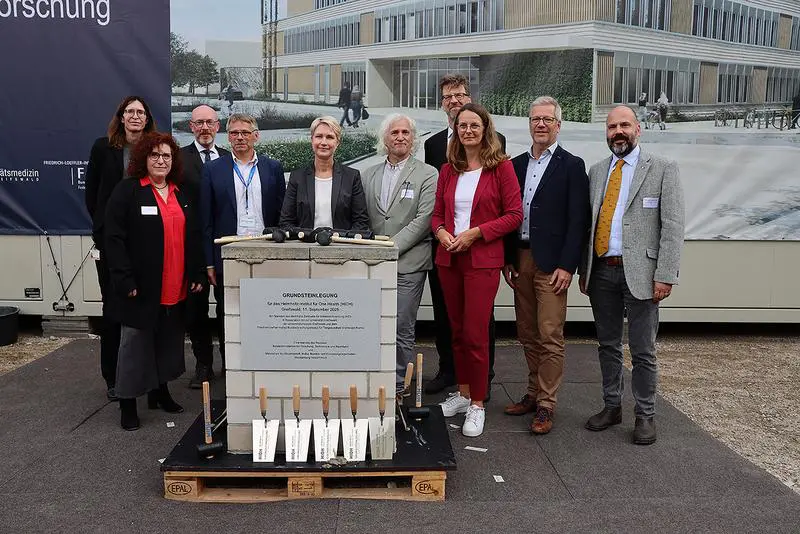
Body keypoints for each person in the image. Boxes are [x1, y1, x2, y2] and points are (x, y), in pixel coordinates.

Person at [579, 105, 685, 445]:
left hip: (642, 273)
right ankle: (612, 407)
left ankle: (645, 415)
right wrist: (585, 270)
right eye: (612, 127)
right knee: (608, 346)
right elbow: (589, 224)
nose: (618, 132)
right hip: (602, 272)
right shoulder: (597, 171)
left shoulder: (663, 168)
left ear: (638, 129)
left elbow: (672, 227)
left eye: (624, 125)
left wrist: (665, 274)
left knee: (642, 350)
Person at [103, 132, 206, 430]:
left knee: (167, 341)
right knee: (135, 346)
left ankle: (159, 393)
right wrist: (124, 279)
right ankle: (127, 402)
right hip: (140, 286)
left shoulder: (179, 193)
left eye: (166, 156)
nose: (161, 161)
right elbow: (114, 238)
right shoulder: (128, 191)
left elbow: (192, 236)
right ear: (143, 158)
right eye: (155, 155)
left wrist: (197, 272)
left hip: (174, 284)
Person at [432, 103, 522, 437]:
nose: (468, 131)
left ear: (485, 130)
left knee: (475, 334)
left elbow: (514, 215)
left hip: (482, 260)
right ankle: (464, 392)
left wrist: (476, 233)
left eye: (474, 125)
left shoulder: (501, 168)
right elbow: (437, 215)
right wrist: (441, 232)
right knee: (456, 331)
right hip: (450, 259)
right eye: (462, 126)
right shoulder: (448, 170)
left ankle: (478, 404)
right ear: (455, 131)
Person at [502, 96, 589, 434]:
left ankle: (546, 404)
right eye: (535, 119)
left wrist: (568, 265)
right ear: (529, 124)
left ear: (558, 125)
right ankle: (533, 392)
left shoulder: (571, 165)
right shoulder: (515, 165)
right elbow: (508, 215)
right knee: (527, 332)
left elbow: (578, 220)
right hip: (521, 260)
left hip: (553, 265)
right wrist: (509, 258)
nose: (540, 124)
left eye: (547, 119)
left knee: (550, 333)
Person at [423, 73, 507, 400]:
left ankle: (481, 383)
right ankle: (452, 375)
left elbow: (507, 209)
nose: (454, 101)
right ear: (442, 104)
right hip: (446, 250)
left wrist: (478, 235)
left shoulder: (496, 149)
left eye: (459, 95)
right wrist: (440, 232)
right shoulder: (434, 147)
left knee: (478, 323)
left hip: (481, 253)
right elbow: (437, 204)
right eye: (448, 97)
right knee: (449, 318)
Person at [85, 96, 156, 401]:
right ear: (121, 117)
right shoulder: (103, 148)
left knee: (147, 308)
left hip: (147, 242)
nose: (135, 116)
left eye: (140, 112)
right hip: (112, 242)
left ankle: (149, 378)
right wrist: (104, 228)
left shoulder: (154, 150)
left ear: (147, 118)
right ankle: (112, 377)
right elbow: (92, 194)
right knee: (113, 309)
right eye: (130, 111)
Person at [200, 113, 286, 366]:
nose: (240, 137)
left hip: (266, 251)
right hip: (228, 253)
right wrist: (209, 262)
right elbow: (206, 219)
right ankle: (230, 366)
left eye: (245, 133)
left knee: (266, 311)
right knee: (228, 312)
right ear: (228, 137)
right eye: (234, 133)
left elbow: (282, 215)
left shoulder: (273, 168)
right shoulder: (213, 170)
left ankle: (265, 362)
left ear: (255, 136)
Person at [362, 114, 438, 392]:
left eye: (406, 132)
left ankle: (398, 385)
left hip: (409, 263)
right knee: (372, 323)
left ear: (413, 138)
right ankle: (373, 380)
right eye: (394, 132)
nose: (400, 137)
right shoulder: (368, 174)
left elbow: (424, 219)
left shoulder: (428, 174)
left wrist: (389, 248)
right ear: (385, 138)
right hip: (372, 263)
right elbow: (363, 217)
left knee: (401, 326)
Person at [180, 105, 230, 388]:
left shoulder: (229, 159)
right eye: (199, 123)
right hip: (191, 247)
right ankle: (203, 365)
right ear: (191, 127)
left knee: (226, 308)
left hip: (222, 245)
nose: (204, 128)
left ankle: (229, 363)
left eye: (209, 122)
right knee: (195, 310)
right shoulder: (178, 159)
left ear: (218, 126)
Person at [279, 116, 370, 231]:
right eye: (319, 136)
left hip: (341, 242)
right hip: (304, 241)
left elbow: (361, 221)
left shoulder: (352, 177)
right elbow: (286, 222)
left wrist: (344, 240)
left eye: (329, 137)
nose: (323, 142)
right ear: (312, 140)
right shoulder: (297, 178)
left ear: (337, 142)